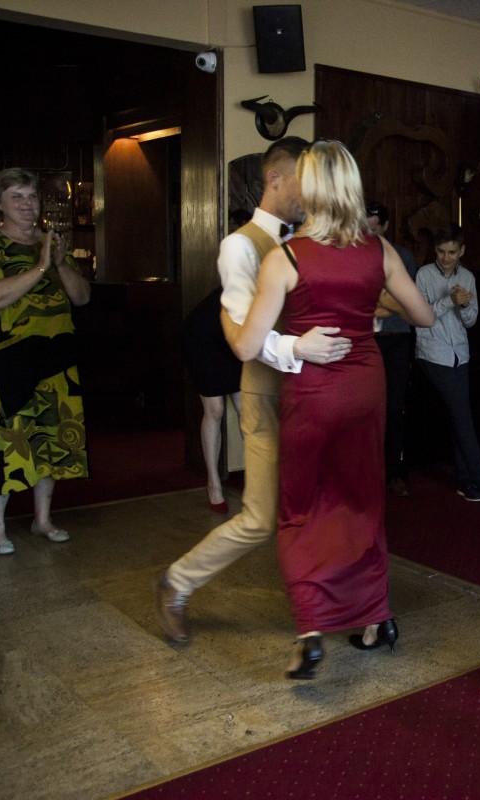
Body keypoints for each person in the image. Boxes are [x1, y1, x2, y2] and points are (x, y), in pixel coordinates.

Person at [225, 140, 434, 679]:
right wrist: (369, 300)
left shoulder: (286, 257)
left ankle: (312, 629)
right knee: (362, 499)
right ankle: (376, 618)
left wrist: (228, 313)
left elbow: (246, 347)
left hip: (315, 390)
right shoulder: (379, 250)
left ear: (311, 187)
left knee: (304, 506)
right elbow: (424, 316)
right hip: (366, 383)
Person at [155, 137, 353, 644]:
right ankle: (177, 582)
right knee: (261, 517)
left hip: (316, 397)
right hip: (267, 397)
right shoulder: (240, 245)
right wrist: (298, 348)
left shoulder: (311, 240)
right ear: (275, 179)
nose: (312, 195)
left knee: (329, 502)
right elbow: (244, 330)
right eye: (304, 183)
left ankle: (350, 606)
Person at [0, 167, 92, 555]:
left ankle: (43, 519)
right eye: (17, 197)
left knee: (53, 437)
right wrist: (40, 266)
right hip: (9, 356)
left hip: (56, 355)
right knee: (7, 438)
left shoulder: (52, 243)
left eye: (32, 196)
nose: (27, 204)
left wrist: (59, 263)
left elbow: (81, 297)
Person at [414, 224, 480, 502]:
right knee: (463, 416)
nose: (446, 257)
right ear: (435, 250)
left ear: (461, 251)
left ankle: (465, 481)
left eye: (452, 252)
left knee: (459, 416)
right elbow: (420, 317)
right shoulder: (424, 275)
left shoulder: (468, 277)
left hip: (460, 355)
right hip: (433, 353)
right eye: (441, 251)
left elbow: (471, 321)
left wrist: (464, 305)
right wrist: (448, 301)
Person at [367, 201, 419, 497]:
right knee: (366, 408)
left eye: (374, 229)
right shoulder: (352, 253)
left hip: (397, 338)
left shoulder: (402, 256)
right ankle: (368, 474)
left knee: (395, 407)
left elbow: (407, 301)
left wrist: (379, 302)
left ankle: (395, 473)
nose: (368, 234)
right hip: (365, 339)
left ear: (385, 227)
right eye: (364, 229)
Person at [180, 287, 243, 513]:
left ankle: (258, 481)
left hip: (233, 338)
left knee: (247, 410)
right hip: (202, 337)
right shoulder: (248, 277)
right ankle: (213, 483)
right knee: (215, 409)